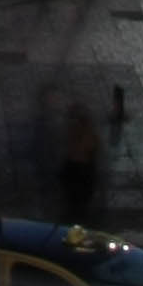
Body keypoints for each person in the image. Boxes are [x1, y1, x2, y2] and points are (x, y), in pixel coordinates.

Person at [55, 96, 102, 226]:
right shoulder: (80, 133)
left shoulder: (85, 134)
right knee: (74, 203)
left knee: (77, 204)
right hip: (77, 169)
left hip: (81, 170)